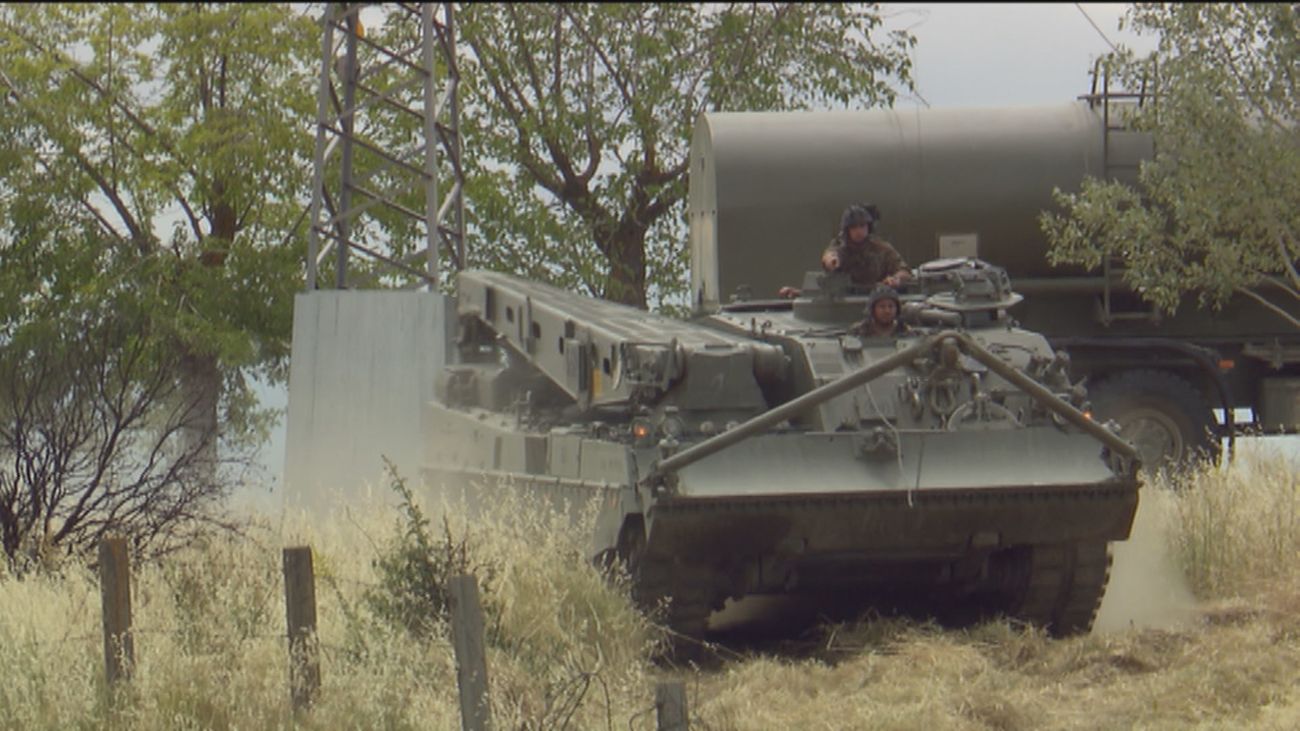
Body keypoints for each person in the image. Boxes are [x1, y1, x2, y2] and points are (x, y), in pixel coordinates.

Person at [778, 204, 911, 298]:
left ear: (868, 227)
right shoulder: (840, 245)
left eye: (862, 226)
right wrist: (832, 261)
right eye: (854, 227)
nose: (859, 231)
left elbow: (904, 270)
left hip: (877, 301)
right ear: (847, 230)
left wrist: (896, 279)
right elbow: (830, 255)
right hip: (845, 302)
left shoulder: (882, 248)